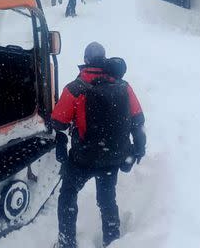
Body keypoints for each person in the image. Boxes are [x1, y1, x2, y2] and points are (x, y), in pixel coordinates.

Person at [51, 43, 146, 248]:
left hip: (83, 158)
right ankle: (111, 240)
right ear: (104, 59)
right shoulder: (123, 85)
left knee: (68, 194)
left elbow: (58, 122)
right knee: (107, 200)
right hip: (113, 156)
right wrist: (138, 148)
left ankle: (66, 243)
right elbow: (138, 119)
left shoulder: (75, 88)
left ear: (85, 60)